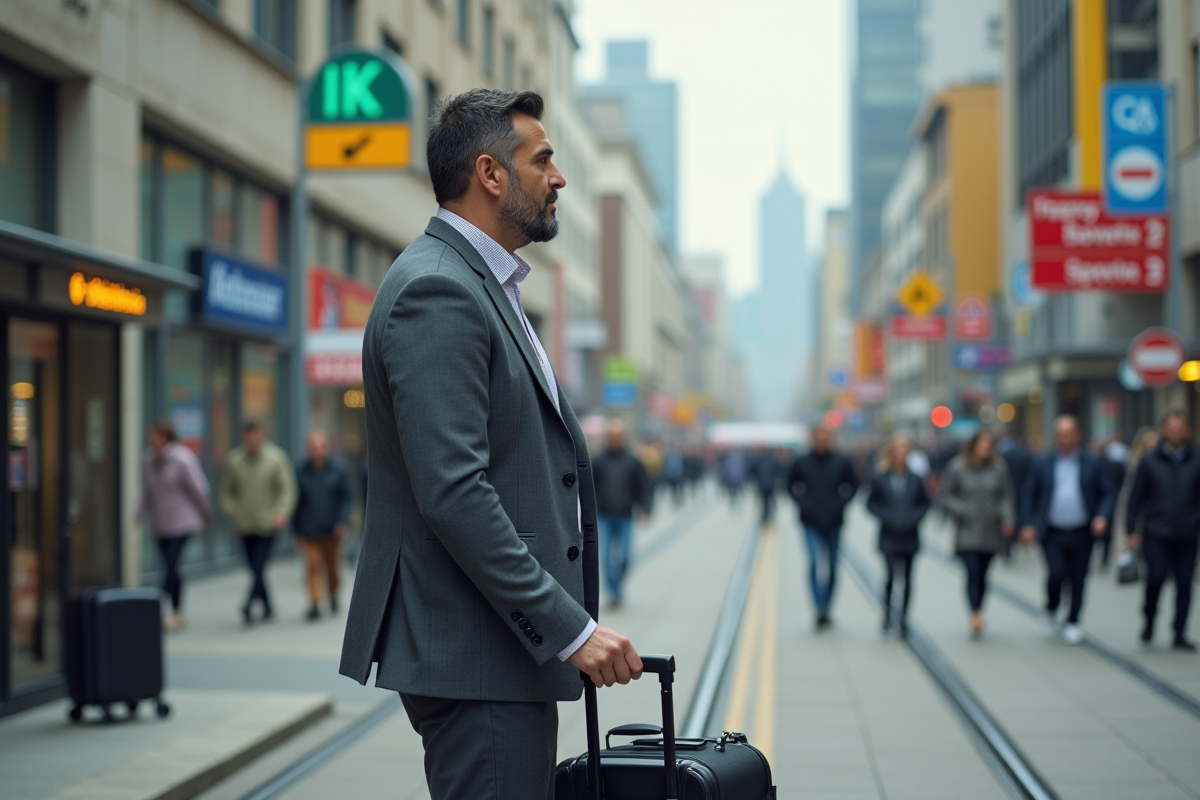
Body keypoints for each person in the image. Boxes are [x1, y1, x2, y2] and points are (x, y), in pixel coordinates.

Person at [337, 89, 642, 800]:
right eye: (543, 160)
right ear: (491, 174)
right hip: (477, 654)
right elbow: (453, 491)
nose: (558, 178)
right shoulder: (437, 291)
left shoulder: (483, 283)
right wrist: (569, 629)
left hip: (497, 649)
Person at [1019, 415, 1115, 645]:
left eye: (1068, 433)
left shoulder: (1093, 462)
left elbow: (1107, 493)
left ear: (1078, 435)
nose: (1064, 439)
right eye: (1060, 434)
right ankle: (1051, 607)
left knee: (1078, 577)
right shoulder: (1043, 462)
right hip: (1052, 531)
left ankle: (1073, 620)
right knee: (1056, 574)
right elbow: (1029, 494)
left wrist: (1102, 516)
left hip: (1082, 529)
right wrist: (1026, 524)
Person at [1125, 411, 1200, 652]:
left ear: (1187, 430)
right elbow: (1135, 497)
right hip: (1156, 532)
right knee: (1155, 578)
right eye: (1172, 428)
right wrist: (1131, 528)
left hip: (1187, 533)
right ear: (1163, 431)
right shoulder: (1149, 460)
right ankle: (1149, 618)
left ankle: (1179, 631)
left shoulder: (1196, 460)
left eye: (1181, 428)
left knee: (1185, 584)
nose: (1176, 433)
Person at [219, 420, 297, 625]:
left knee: (259, 564)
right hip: (243, 524)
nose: (252, 439)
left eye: (255, 434)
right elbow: (226, 491)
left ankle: (247, 604)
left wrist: (281, 513)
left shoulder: (276, 458)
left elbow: (286, 490)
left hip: (268, 524)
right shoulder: (234, 460)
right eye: (248, 435)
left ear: (262, 435)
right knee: (254, 567)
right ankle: (268, 604)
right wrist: (232, 511)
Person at [136, 420, 211, 632]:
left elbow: (199, 489)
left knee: (170, 566)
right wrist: (138, 514)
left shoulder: (183, 459)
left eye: (156, 435)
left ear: (166, 437)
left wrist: (206, 512)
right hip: (161, 523)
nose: (151, 439)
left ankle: (171, 611)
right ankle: (176, 610)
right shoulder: (149, 460)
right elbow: (147, 491)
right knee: (170, 568)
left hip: (183, 522)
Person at [939, 430, 1015, 638]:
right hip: (967, 530)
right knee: (972, 572)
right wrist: (961, 510)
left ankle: (980, 608)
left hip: (990, 529)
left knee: (983, 574)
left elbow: (1005, 496)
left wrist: (1008, 519)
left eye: (988, 444)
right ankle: (974, 613)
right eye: (981, 444)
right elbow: (946, 495)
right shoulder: (958, 467)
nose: (985, 448)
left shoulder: (998, 469)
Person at [786, 425, 859, 629]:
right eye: (818, 438)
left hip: (834, 521)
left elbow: (853, 485)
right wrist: (804, 504)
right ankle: (818, 608)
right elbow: (790, 486)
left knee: (833, 567)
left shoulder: (842, 461)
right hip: (810, 521)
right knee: (814, 563)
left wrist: (840, 503)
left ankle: (827, 606)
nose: (821, 441)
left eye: (825, 438)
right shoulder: (801, 461)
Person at [866, 434, 931, 636]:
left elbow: (925, 502)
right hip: (889, 534)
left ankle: (903, 618)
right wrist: (886, 516)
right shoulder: (881, 477)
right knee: (890, 577)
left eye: (905, 451)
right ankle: (887, 614)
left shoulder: (916, 479)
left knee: (908, 579)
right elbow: (871, 503)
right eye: (897, 451)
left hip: (910, 535)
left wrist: (914, 517)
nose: (901, 455)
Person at [293, 430, 354, 621]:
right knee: (312, 566)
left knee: (332, 566)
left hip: (332, 528)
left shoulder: (339, 469)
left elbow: (347, 498)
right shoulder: (301, 470)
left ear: (326, 447)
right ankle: (315, 603)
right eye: (312, 446)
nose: (316, 450)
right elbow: (296, 501)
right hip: (309, 528)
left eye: (319, 446)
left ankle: (333, 594)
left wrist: (343, 521)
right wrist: (296, 529)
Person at [590, 420, 652, 608]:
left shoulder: (633, 461)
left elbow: (643, 487)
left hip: (625, 516)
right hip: (604, 516)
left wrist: (646, 509)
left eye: (619, 436)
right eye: (612, 436)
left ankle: (617, 584)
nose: (615, 440)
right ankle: (614, 591)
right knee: (607, 557)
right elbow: (589, 488)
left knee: (625, 555)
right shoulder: (598, 461)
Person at [998, 433, 1035, 560]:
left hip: (1008, 491)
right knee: (1017, 518)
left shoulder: (1003, 456)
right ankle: (1016, 540)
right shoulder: (1025, 455)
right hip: (1021, 491)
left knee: (1008, 520)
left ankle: (1008, 545)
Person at [750, 446, 782, 526]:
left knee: (765, 502)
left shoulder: (759, 461)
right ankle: (768, 515)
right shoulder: (773, 460)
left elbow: (753, 471)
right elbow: (778, 471)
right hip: (769, 484)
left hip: (763, 484)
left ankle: (765, 516)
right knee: (769, 500)